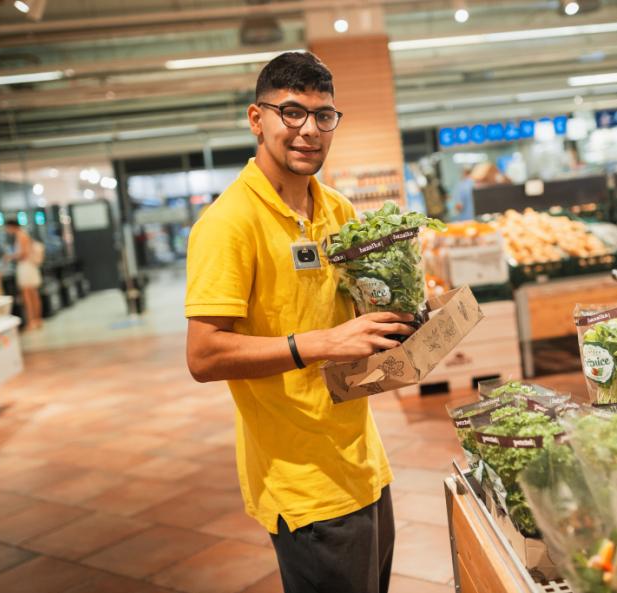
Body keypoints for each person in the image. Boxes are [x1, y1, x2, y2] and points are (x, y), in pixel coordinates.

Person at [184, 52, 414, 593]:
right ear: (255, 118)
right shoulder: (228, 224)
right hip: (303, 481)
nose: (309, 129)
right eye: (291, 112)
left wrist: (406, 318)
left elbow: (355, 318)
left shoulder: (336, 210)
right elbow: (204, 355)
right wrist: (320, 342)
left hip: (363, 460)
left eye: (323, 115)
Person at [4, 219, 43, 331]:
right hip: (30, 267)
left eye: (7, 228)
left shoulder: (21, 235)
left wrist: (10, 257)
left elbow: (23, 254)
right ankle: (37, 319)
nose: (7, 231)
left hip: (26, 267)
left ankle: (32, 321)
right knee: (33, 295)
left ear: (12, 226)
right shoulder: (24, 234)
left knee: (27, 296)